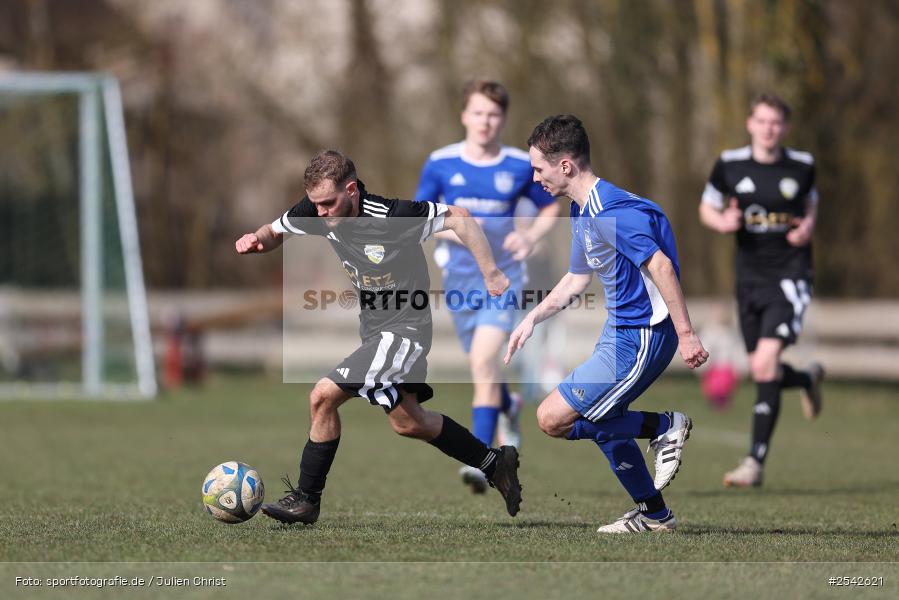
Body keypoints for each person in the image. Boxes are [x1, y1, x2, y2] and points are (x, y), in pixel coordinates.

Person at [235, 150, 523, 523]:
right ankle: (494, 462)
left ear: (351, 189)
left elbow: (462, 219)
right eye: (315, 205)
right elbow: (276, 231)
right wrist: (257, 241)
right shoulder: (318, 210)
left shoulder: (392, 217)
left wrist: (491, 273)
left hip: (406, 331)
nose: (319, 213)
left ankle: (306, 500)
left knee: (322, 397)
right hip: (375, 332)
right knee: (409, 422)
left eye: (327, 204)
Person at [504, 115, 709, 534]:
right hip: (618, 333)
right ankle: (654, 515)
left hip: (643, 336)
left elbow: (661, 266)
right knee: (589, 419)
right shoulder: (581, 210)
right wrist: (532, 317)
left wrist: (687, 334)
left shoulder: (610, 211)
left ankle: (664, 426)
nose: (534, 177)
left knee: (554, 418)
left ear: (565, 166)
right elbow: (577, 280)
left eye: (538, 168)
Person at [415, 78, 559, 493]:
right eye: (478, 112)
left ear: (503, 119)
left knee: (482, 362)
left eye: (494, 114)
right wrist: (461, 232)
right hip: (460, 281)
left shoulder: (518, 164)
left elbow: (551, 206)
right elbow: (418, 220)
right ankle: (509, 405)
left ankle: (482, 461)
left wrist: (530, 236)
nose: (485, 121)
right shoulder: (441, 163)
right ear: (464, 116)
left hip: (505, 278)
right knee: (484, 368)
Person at [699, 93, 824, 488]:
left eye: (777, 123)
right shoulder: (730, 164)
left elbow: (811, 203)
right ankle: (805, 380)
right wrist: (723, 222)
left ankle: (754, 462)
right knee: (759, 368)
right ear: (750, 123)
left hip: (790, 275)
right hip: (748, 278)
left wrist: (808, 227)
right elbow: (707, 206)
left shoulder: (801, 166)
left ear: (785, 128)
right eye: (763, 121)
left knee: (766, 362)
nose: (769, 129)